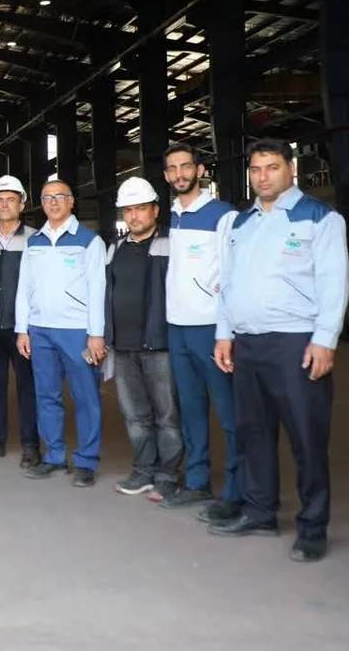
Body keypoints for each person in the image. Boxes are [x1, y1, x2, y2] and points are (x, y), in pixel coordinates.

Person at [208, 139, 348, 563]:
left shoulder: (320, 218)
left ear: (291, 168)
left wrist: (325, 339)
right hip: (247, 344)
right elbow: (228, 283)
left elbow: (334, 281)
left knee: (307, 437)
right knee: (254, 433)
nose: (262, 176)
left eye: (271, 167)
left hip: (295, 343)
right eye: (255, 169)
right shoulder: (242, 223)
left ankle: (312, 528)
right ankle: (260, 512)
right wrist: (224, 333)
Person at [159, 143, 240, 519]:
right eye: (172, 169)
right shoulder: (173, 215)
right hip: (178, 327)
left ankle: (238, 489)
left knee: (228, 411)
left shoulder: (223, 215)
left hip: (210, 328)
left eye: (185, 166)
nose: (179, 174)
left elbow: (232, 276)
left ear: (200, 170)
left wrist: (226, 332)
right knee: (191, 409)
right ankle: (197, 481)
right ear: (166, 175)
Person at [15, 178, 107, 488]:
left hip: (77, 331)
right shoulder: (34, 243)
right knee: (47, 395)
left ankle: (86, 460)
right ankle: (54, 455)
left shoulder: (89, 241)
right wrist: (22, 329)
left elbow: (98, 289)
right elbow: (24, 289)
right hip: (40, 331)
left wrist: (96, 334)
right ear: (41, 204)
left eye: (60, 196)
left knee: (86, 397)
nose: (53, 202)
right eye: (47, 198)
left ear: (71, 202)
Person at [104, 177, 182, 499]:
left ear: (155, 210)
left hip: (159, 345)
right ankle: (144, 470)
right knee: (135, 415)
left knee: (167, 415)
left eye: (140, 208)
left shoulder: (171, 244)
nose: (134, 216)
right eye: (128, 210)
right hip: (123, 346)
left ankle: (168, 474)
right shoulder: (116, 248)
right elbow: (107, 292)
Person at [0, 175, 40, 467]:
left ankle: (30, 445)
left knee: (29, 388)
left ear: (22, 204)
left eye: (11, 200)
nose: (5, 205)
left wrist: (29, 326)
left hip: (24, 329)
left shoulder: (36, 240)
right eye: (0, 200)